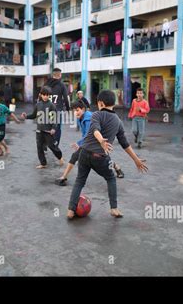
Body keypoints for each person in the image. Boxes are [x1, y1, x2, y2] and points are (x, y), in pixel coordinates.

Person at [67, 90, 148, 220]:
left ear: (101, 103)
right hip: (100, 158)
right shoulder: (118, 122)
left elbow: (95, 130)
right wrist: (136, 159)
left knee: (79, 181)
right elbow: (125, 144)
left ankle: (71, 210)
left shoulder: (96, 115)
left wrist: (100, 139)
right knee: (111, 178)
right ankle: (114, 209)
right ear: (113, 103)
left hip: (84, 153)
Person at [55, 101, 124, 186]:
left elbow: (89, 133)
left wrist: (80, 143)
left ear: (83, 109)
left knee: (79, 156)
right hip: (92, 141)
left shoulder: (88, 119)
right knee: (102, 158)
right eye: (74, 111)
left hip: (99, 139)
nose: (75, 113)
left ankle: (64, 177)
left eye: (77, 110)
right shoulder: (81, 117)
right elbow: (85, 133)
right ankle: (117, 167)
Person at [21, 86, 64, 169]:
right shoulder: (38, 105)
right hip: (39, 130)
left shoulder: (51, 106)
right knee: (39, 147)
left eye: (47, 95)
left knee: (52, 146)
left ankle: (60, 157)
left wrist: (54, 128)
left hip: (48, 131)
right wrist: (26, 116)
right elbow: (33, 115)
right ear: (41, 95)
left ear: (49, 96)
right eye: (44, 95)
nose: (45, 96)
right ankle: (43, 163)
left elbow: (54, 119)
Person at [45, 67, 70, 147]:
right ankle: (55, 143)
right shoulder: (61, 85)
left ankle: (45, 144)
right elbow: (66, 98)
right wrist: (68, 109)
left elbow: (40, 97)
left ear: (53, 75)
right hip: (57, 110)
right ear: (59, 75)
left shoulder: (46, 84)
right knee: (57, 128)